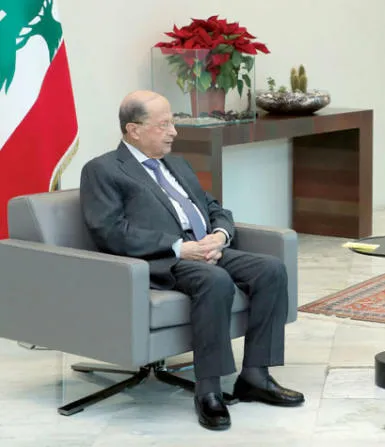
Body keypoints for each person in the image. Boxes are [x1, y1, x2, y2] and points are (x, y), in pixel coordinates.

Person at [80, 90, 304, 431]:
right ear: (133, 130)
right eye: (164, 125)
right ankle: (208, 390)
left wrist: (221, 235)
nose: (173, 132)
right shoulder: (103, 170)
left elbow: (214, 208)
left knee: (271, 269)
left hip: (206, 248)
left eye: (173, 123)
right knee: (215, 281)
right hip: (161, 260)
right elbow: (110, 232)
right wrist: (179, 248)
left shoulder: (177, 164)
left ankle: (255, 375)